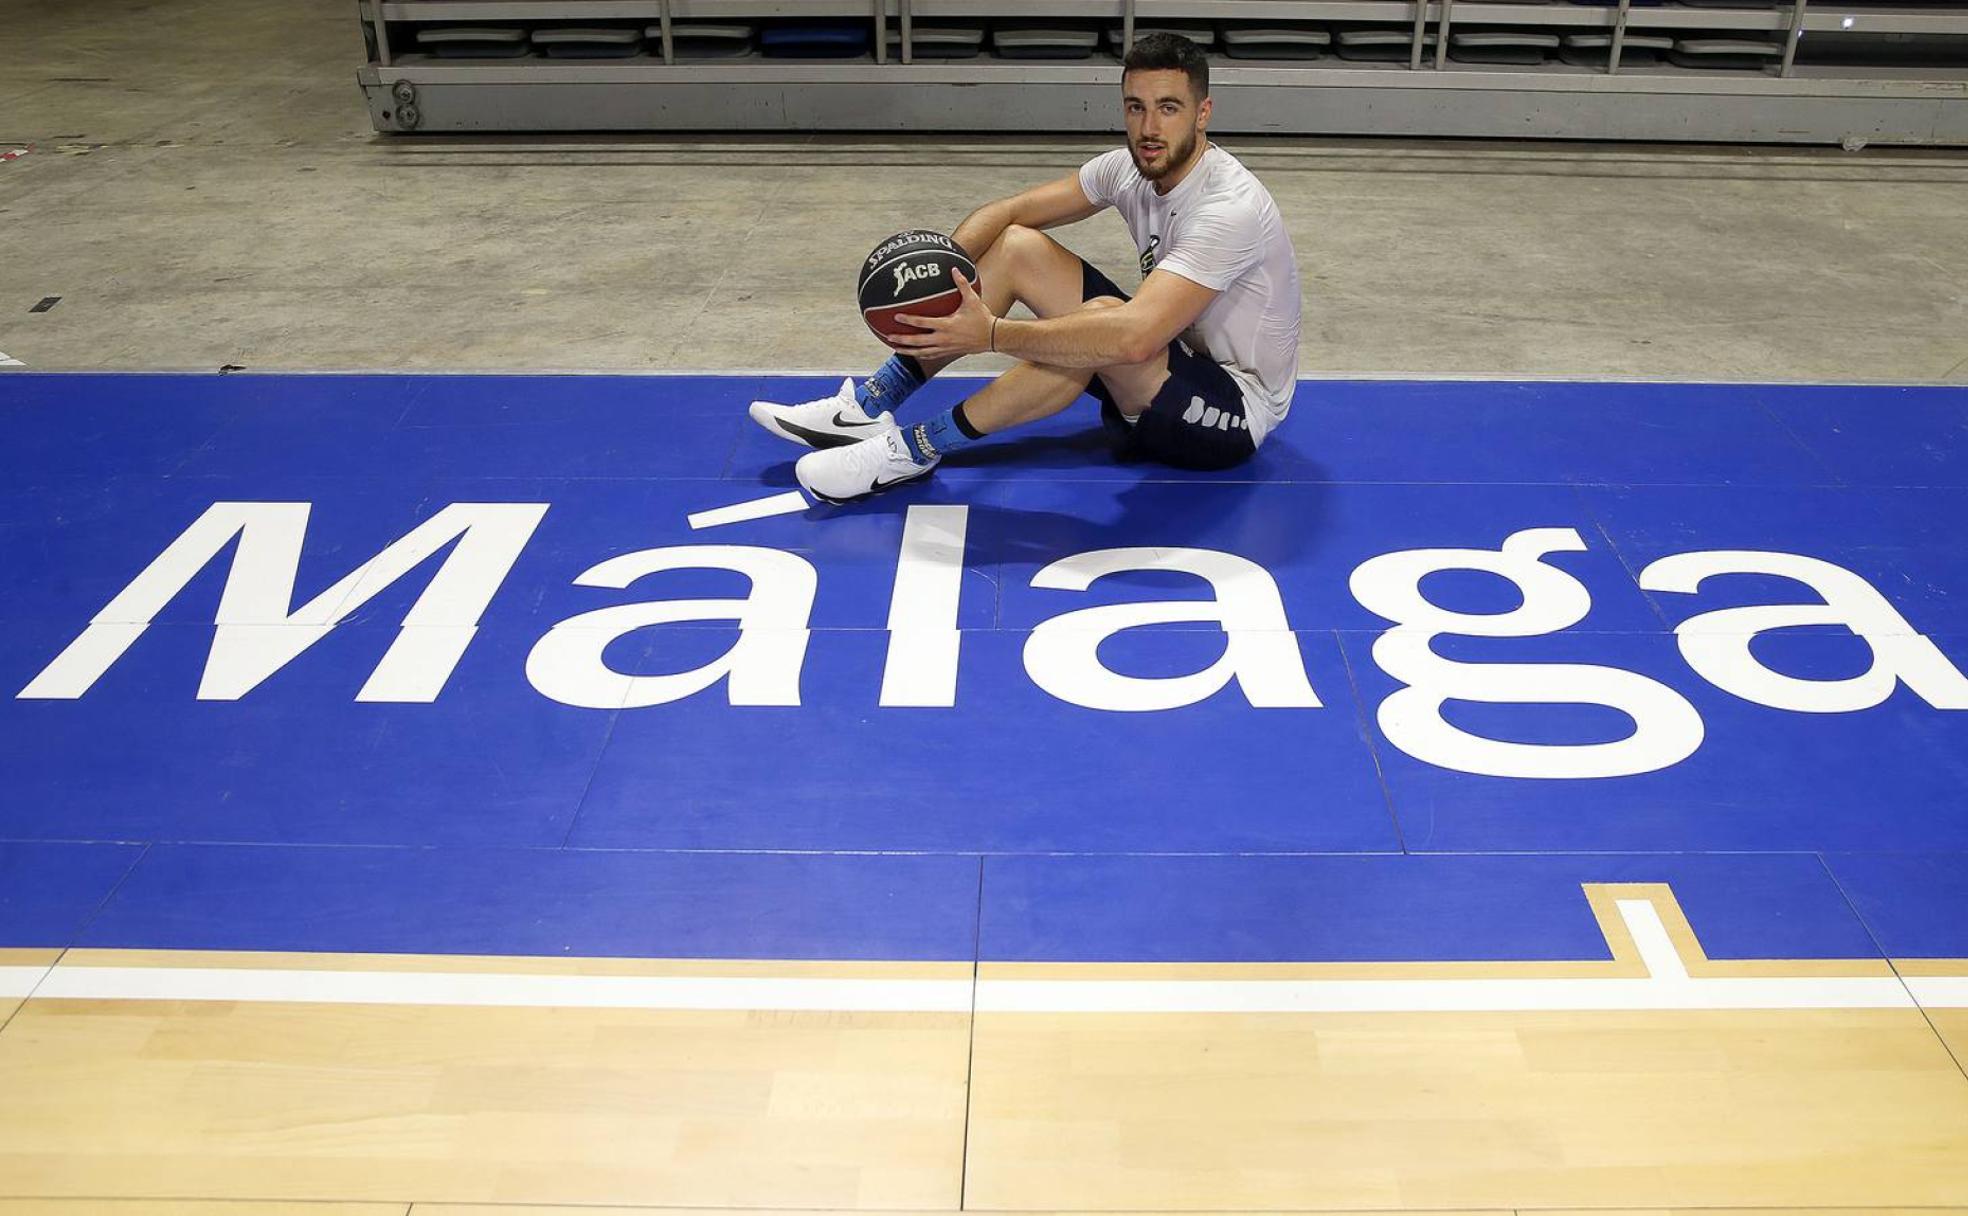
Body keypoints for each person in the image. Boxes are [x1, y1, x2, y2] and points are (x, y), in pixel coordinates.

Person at [749, 32, 1302, 504]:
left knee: (1103, 325)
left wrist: (990, 334)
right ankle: (868, 407)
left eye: (1169, 107)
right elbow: (1007, 213)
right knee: (1019, 247)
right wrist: (948, 276)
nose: (1149, 126)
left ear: (1203, 113)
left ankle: (910, 450)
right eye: (1136, 106)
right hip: (1166, 368)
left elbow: (1133, 339)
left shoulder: (1228, 208)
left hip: (1230, 413)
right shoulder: (1129, 169)